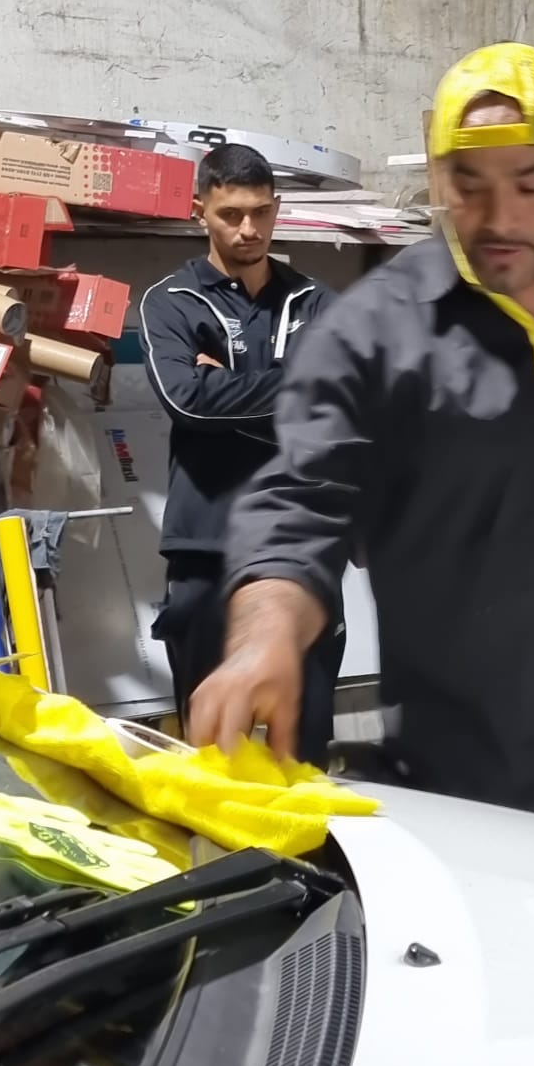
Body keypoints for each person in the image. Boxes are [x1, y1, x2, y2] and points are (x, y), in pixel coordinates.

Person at [186, 43, 534, 855]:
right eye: (469, 185)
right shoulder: (373, 335)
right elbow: (303, 506)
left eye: (530, 183)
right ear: (438, 182)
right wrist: (264, 638)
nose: (498, 218)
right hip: (485, 799)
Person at [140, 144, 343, 767]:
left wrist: (226, 386)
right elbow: (188, 402)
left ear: (276, 208)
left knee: (303, 752)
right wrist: (298, 389)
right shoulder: (170, 301)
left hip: (302, 547)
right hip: (206, 542)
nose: (248, 229)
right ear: (199, 210)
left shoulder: (317, 302)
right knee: (209, 752)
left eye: (261, 212)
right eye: (231, 214)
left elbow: (344, 407)